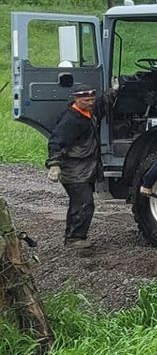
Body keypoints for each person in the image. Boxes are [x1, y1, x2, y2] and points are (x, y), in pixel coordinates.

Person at [44, 86, 100, 248]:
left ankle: (74, 236)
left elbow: (102, 104)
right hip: (73, 171)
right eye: (86, 100)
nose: (90, 103)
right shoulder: (71, 120)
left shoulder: (87, 113)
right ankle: (75, 239)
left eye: (92, 100)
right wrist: (54, 165)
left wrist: (114, 90)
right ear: (76, 99)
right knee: (83, 203)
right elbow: (56, 142)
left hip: (84, 169)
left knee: (80, 202)